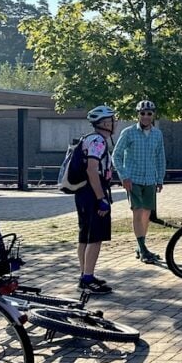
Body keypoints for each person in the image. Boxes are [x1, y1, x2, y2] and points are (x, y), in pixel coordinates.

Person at [111, 100, 167, 264]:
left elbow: (160, 157)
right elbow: (116, 155)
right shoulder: (128, 133)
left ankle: (140, 245)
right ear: (138, 115)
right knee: (137, 211)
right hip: (133, 179)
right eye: (142, 113)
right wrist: (123, 176)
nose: (146, 116)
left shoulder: (157, 134)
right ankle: (143, 250)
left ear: (153, 115)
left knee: (146, 213)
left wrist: (159, 178)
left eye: (149, 113)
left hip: (150, 179)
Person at [75, 105, 117, 294]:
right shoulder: (98, 142)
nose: (114, 124)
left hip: (83, 193)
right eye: (113, 120)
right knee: (95, 237)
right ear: (106, 123)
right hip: (93, 193)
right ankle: (88, 278)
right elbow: (92, 170)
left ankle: (85, 274)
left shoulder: (88, 139)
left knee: (85, 235)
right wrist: (101, 198)